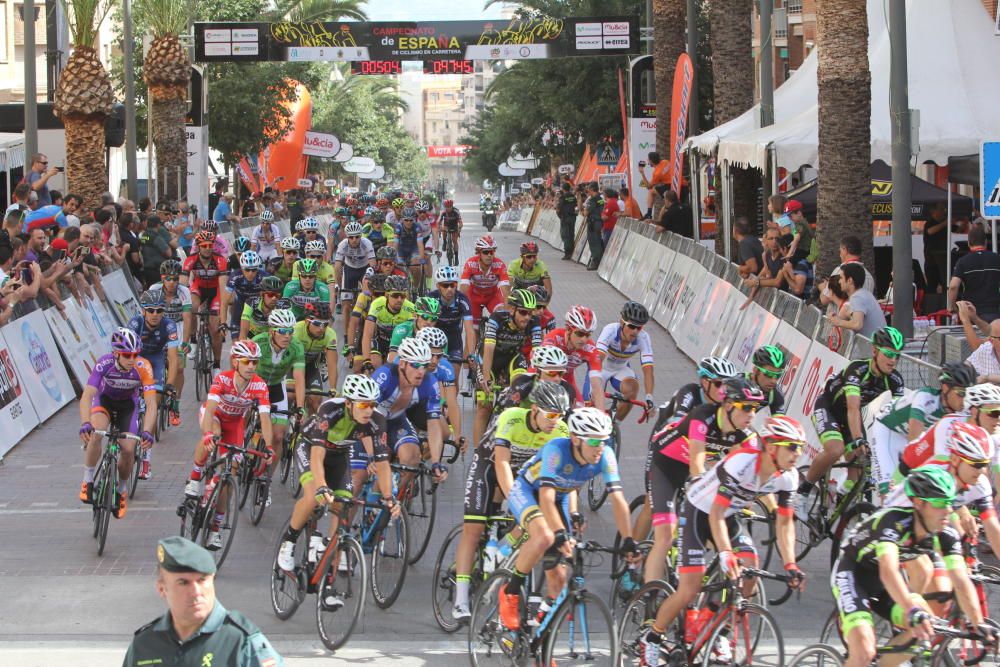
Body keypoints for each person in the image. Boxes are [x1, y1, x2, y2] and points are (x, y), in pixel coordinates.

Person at [641, 415, 807, 666]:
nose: (798, 454)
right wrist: (726, 554)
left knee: (750, 571)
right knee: (689, 588)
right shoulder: (742, 463)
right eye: (792, 447)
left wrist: (791, 564)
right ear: (772, 446)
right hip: (699, 511)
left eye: (801, 448)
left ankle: (719, 629)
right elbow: (715, 513)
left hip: (727, 516)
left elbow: (784, 524)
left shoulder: (788, 477)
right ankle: (653, 637)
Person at [831, 467, 993, 667]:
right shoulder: (893, 523)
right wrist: (911, 609)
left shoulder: (946, 534)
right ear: (919, 503)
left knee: (925, 627)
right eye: (940, 503)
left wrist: (979, 624)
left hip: (883, 586)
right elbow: (888, 571)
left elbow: (960, 580)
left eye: (950, 503)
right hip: (853, 575)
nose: (948, 510)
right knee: (864, 651)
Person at [499, 407, 639, 630]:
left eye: (604, 441)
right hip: (528, 491)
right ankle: (510, 592)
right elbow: (545, 496)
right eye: (594, 442)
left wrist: (628, 540)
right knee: (545, 537)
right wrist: (559, 533)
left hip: (561, 495)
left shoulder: (606, 455)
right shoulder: (557, 450)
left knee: (559, 579)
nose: (600, 448)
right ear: (575, 439)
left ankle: (540, 642)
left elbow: (618, 499)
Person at [451, 381, 571, 621]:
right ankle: (461, 599)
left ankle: (503, 549)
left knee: (532, 525)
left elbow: (554, 479)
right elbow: (502, 464)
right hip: (490, 464)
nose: (554, 420)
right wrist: (515, 502)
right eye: (550, 414)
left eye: (560, 415)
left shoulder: (559, 431)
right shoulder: (512, 418)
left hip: (525, 473)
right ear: (535, 408)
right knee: (474, 529)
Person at [275, 375, 398, 601]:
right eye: (362, 404)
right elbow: (317, 455)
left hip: (340, 455)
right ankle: (289, 541)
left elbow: (382, 464)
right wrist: (322, 486)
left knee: (342, 510)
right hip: (310, 447)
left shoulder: (376, 420)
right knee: (314, 496)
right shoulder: (330, 410)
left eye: (372, 404)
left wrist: (390, 498)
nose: (368, 410)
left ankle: (328, 585)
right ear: (349, 403)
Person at [643, 377, 764, 584]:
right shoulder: (703, 416)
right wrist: (700, 487)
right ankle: (649, 601)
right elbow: (697, 461)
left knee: (708, 523)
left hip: (698, 467)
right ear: (727, 405)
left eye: (756, 408)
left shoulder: (745, 433)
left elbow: (749, 469)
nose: (751, 414)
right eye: (746, 407)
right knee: (664, 537)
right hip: (667, 464)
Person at [123, 536, 284, 666]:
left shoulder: (241, 642)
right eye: (183, 583)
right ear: (162, 589)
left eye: (202, 580)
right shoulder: (145, 644)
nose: (196, 592)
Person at [183, 341, 274, 547]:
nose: (251, 366)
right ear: (235, 362)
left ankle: (216, 528)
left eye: (255, 362)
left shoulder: (260, 386)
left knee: (229, 475)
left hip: (234, 425)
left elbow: (265, 419)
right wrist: (207, 434)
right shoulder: (222, 379)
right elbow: (211, 407)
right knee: (213, 434)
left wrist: (269, 447)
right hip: (214, 416)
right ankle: (195, 477)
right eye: (246, 361)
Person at [800, 326, 905, 495]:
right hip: (829, 408)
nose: (893, 360)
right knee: (836, 450)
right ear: (875, 351)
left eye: (897, 356)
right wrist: (858, 439)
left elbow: (897, 416)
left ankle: (843, 502)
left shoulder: (895, 380)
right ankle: (803, 492)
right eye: (889, 354)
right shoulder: (857, 369)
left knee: (859, 469)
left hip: (850, 418)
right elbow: (853, 407)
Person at [78, 329, 157, 519]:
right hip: (104, 401)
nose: (132, 359)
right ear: (116, 354)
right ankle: (87, 479)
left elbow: (152, 403)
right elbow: (87, 395)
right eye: (127, 355)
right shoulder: (104, 363)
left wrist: (147, 431)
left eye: (135, 354)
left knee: (129, 449)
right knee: (96, 433)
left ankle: (121, 491)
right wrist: (85, 423)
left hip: (128, 407)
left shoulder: (143, 366)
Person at [870, 362, 976, 497]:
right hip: (888, 430)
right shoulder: (925, 399)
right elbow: (913, 443)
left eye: (969, 393)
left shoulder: (962, 411)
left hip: (909, 436)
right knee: (890, 493)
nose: (965, 399)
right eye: (961, 393)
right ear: (945, 388)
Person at [126, 290, 180, 477]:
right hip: (137, 359)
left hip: (156, 360)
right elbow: (127, 353)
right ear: (144, 311)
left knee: (152, 405)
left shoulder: (170, 326)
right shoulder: (135, 323)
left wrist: (170, 384)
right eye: (151, 310)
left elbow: (173, 358)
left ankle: (146, 459)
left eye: (159, 310)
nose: (155, 314)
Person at [595, 301, 655, 421]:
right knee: (590, 404)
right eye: (631, 326)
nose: (635, 331)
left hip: (620, 369)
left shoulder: (643, 338)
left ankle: (614, 426)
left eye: (639, 327)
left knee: (632, 390)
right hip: (600, 368)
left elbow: (648, 369)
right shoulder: (610, 330)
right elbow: (598, 358)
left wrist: (649, 397)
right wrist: (595, 385)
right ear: (622, 322)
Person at [182, 231, 229, 369]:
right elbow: (183, 284)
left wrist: (223, 320)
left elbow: (223, 287)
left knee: (215, 330)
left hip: (215, 291)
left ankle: (217, 365)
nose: (208, 248)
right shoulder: (191, 259)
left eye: (210, 245)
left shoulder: (220, 260)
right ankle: (193, 340)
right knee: (191, 306)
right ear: (198, 246)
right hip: (199, 288)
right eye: (204, 246)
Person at [948, 224, 1000, 322]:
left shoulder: (963, 261)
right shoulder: (997, 258)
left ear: (968, 243)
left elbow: (953, 286)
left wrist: (951, 307)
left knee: (973, 337)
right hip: (994, 311)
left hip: (971, 312)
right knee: (993, 337)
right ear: (985, 242)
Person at [333, 221, 375, 337]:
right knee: (346, 305)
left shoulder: (367, 243)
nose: (354, 239)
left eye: (357, 237)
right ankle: (347, 335)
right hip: (349, 270)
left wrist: (369, 278)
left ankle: (369, 328)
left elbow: (372, 264)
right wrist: (339, 286)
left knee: (368, 298)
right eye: (351, 237)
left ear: (361, 236)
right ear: (347, 237)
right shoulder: (343, 245)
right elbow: (337, 267)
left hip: (364, 269)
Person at [427, 264, 476, 367]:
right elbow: (426, 325)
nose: (449, 289)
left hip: (454, 339)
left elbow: (470, 330)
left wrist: (471, 354)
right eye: (445, 285)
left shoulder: (462, 300)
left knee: (453, 377)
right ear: (438, 286)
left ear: (456, 285)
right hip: (435, 338)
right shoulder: (431, 298)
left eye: (452, 285)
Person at [818, 235, 877, 311]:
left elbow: (824, 299)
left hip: (839, 320)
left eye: (840, 251)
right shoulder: (869, 277)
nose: (839, 254)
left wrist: (823, 288)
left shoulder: (839, 272)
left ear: (845, 250)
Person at [827, 262, 886, 338]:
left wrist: (838, 322)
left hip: (873, 347)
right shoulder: (864, 294)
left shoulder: (857, 297)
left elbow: (857, 324)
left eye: (841, 278)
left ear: (850, 280)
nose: (839, 281)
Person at [460, 235, 510, 322]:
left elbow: (506, 293)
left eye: (492, 252)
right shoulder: (470, 263)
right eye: (486, 252)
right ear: (479, 253)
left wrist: (507, 314)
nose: (489, 255)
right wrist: (461, 305)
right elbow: (464, 288)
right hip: (474, 297)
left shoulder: (499, 265)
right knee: (474, 328)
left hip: (492, 297)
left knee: (501, 316)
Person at [923, 202, 950, 293]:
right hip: (931, 261)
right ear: (933, 211)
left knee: (945, 285)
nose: (944, 211)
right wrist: (946, 223)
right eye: (941, 209)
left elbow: (957, 229)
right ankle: (931, 305)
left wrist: (964, 223)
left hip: (943, 261)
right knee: (931, 286)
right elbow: (930, 231)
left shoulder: (944, 223)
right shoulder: (929, 223)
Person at [638, 151, 669, 219]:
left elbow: (648, 186)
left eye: (648, 160)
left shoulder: (657, 173)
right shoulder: (665, 161)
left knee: (651, 191)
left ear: (651, 161)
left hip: (670, 186)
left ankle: (649, 214)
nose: (647, 161)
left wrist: (642, 173)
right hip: (678, 183)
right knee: (666, 206)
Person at [583, 183, 605, 270]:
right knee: (598, 241)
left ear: (591, 189)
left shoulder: (592, 200)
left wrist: (584, 208)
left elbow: (585, 213)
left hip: (593, 223)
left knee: (593, 242)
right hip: (599, 222)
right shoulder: (600, 199)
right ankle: (598, 260)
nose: (587, 190)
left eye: (588, 189)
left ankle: (596, 262)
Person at [556, 182, 578, 260]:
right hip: (572, 217)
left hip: (565, 218)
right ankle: (571, 251)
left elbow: (558, 209)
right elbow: (576, 206)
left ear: (563, 188)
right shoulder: (573, 196)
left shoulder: (562, 197)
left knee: (565, 235)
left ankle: (567, 253)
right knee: (571, 234)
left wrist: (560, 216)